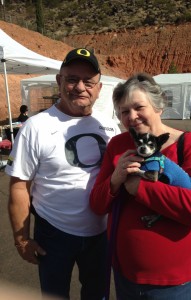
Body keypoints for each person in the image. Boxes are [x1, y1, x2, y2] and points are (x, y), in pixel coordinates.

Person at [90, 73, 191, 300]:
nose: (132, 116)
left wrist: (140, 187)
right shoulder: (118, 145)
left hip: (173, 283)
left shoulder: (189, 144)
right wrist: (115, 180)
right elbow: (97, 204)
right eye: (124, 111)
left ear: (159, 107)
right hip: (124, 275)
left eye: (139, 107)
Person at [5, 48, 120, 300]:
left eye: (89, 82)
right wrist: (21, 239)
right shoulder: (36, 127)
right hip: (54, 234)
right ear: (59, 81)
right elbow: (19, 186)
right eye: (72, 79)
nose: (80, 87)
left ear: (99, 88)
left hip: (101, 234)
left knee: (97, 295)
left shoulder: (110, 126)